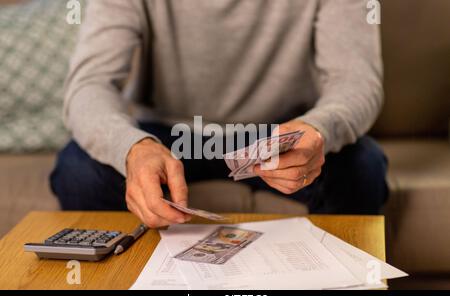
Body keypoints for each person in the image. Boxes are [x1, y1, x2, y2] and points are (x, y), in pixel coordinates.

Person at [51, 0, 388, 228]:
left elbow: (356, 83)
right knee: (79, 170)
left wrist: (315, 130)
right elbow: (89, 84)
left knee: (361, 166)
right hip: (165, 135)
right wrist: (133, 147)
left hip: (278, 136)